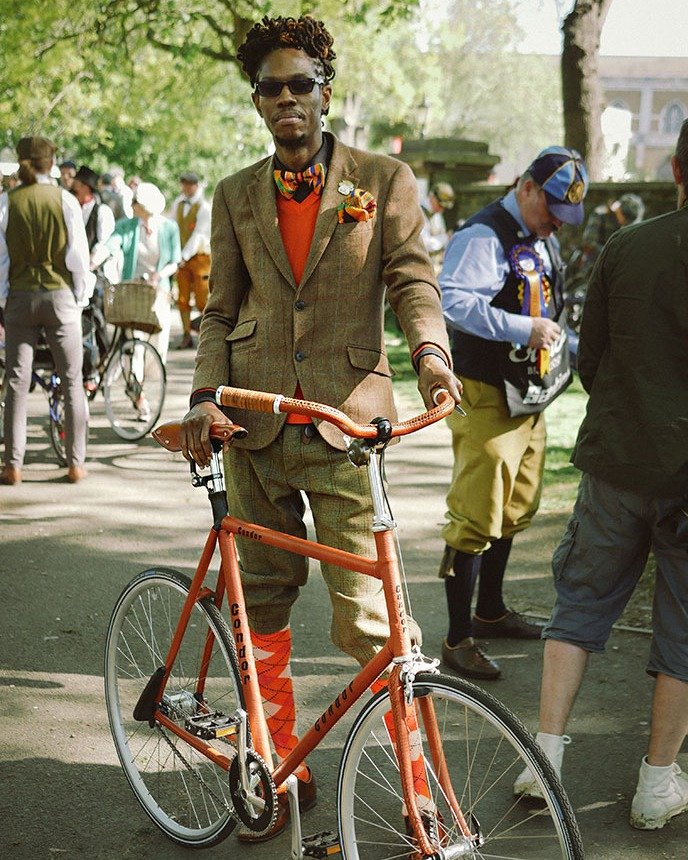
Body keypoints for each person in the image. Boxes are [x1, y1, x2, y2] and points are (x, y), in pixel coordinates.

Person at [178, 14, 462, 841]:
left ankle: (417, 795)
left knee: (375, 623)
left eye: (301, 83)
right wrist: (205, 396)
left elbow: (412, 280)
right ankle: (278, 768)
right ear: (258, 101)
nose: (287, 99)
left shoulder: (384, 178)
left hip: (347, 427)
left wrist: (432, 355)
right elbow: (219, 311)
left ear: (326, 91)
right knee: (258, 608)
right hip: (254, 427)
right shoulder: (234, 195)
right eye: (271, 87)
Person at [513, 121, 688, 832]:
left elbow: (593, 356)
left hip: (617, 457)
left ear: (676, 167)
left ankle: (543, 756)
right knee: (683, 629)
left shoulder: (625, 245)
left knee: (579, 606)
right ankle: (656, 782)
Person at [438, 146, 589, 680]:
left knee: (513, 507)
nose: (555, 224)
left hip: (527, 396)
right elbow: (451, 300)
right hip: (486, 393)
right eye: (550, 210)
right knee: (475, 515)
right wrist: (522, 329)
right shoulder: (484, 234)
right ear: (526, 186)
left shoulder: (534, 236)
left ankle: (491, 611)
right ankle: (458, 639)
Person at [0, 136, 95, 484]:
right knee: (71, 379)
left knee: (15, 381)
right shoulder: (66, 200)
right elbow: (78, 259)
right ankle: (76, 463)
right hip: (60, 297)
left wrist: (4, 301)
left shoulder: (6, 202)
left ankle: (13, 464)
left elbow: (1, 261)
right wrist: (80, 299)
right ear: (49, 163)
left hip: (20, 297)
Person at [107, 182, 181, 367]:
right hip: (133, 288)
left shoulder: (169, 228)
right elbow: (112, 243)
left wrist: (158, 275)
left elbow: (174, 261)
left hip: (159, 289)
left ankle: (154, 379)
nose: (132, 207)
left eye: (136, 203)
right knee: (135, 338)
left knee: (159, 339)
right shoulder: (127, 226)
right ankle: (136, 385)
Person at [71, 165, 117, 390]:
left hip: (95, 275)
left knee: (94, 320)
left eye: (77, 185)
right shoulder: (72, 207)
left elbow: (105, 243)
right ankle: (86, 367)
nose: (73, 187)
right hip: (75, 273)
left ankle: (98, 364)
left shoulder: (102, 211)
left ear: (86, 187)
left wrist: (89, 262)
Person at [171, 171, 211, 349]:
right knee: (182, 298)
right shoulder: (178, 205)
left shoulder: (204, 206)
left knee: (203, 299)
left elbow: (199, 235)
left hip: (200, 258)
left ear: (196, 185)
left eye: (190, 184)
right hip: (182, 259)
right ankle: (186, 334)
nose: (186, 187)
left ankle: (207, 335)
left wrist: (183, 256)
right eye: (184, 184)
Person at [420, 181, 455, 272]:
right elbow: (424, 244)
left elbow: (441, 233)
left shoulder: (437, 215)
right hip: (419, 266)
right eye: (440, 205)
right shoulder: (418, 212)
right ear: (432, 197)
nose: (442, 209)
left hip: (433, 265)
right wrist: (446, 238)